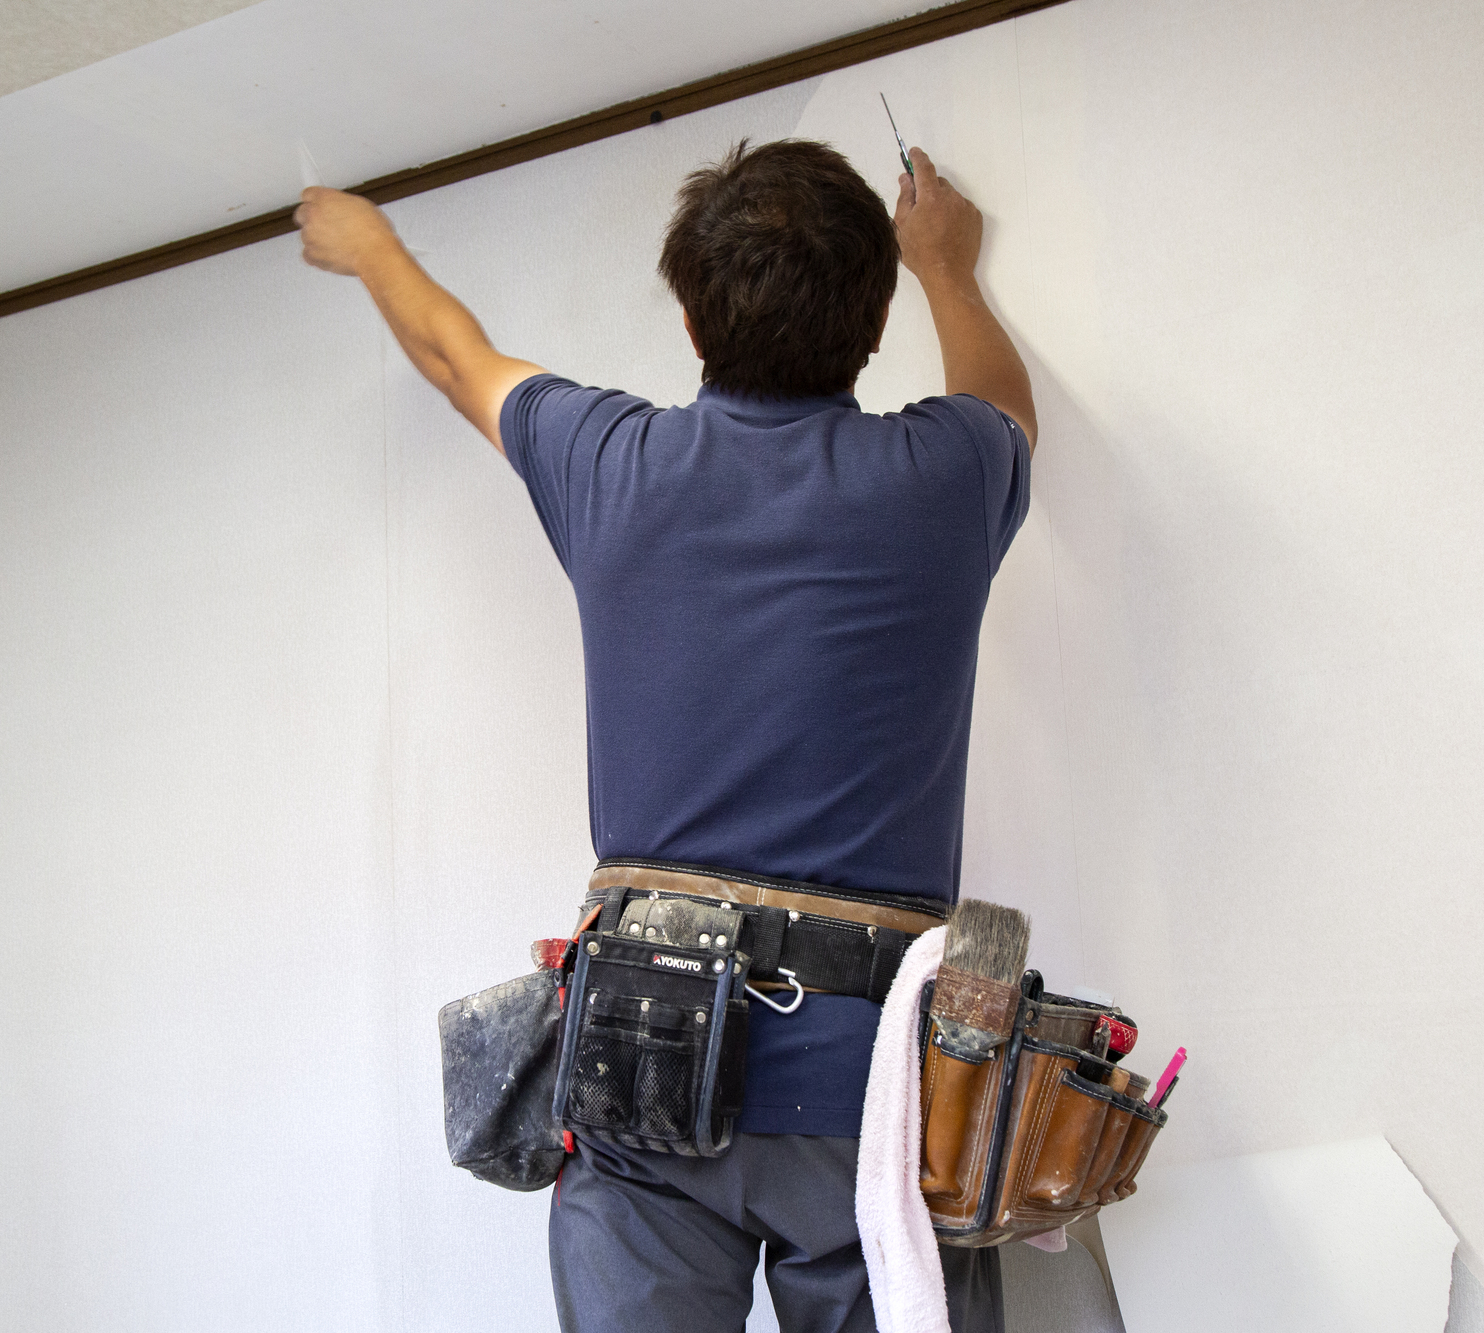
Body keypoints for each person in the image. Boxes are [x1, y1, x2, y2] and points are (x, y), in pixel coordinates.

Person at [296, 138, 1034, 1333]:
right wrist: (946, 267)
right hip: (867, 1095)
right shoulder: (947, 473)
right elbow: (1006, 404)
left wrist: (369, 243)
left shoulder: (609, 461)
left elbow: (450, 355)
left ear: (690, 321)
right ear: (874, 318)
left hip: (642, 1056)